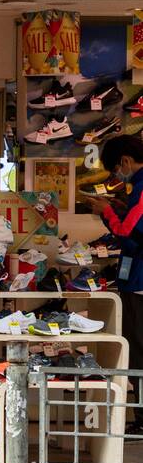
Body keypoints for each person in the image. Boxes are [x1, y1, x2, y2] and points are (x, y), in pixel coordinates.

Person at [89, 135, 143, 435]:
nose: (117, 175)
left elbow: (126, 231)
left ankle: (142, 419)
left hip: (139, 281)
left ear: (124, 161)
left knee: (138, 349)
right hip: (135, 277)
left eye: (116, 169)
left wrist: (106, 212)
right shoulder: (137, 189)